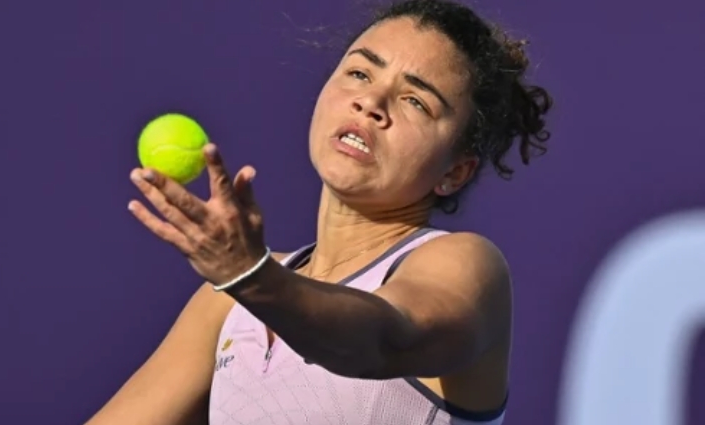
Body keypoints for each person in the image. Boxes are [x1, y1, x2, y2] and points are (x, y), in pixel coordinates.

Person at [85, 0, 552, 423]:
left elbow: (382, 341)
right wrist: (249, 279)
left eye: (415, 101)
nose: (371, 103)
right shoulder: (225, 304)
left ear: (455, 172)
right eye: (360, 73)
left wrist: (252, 277)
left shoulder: (466, 264)